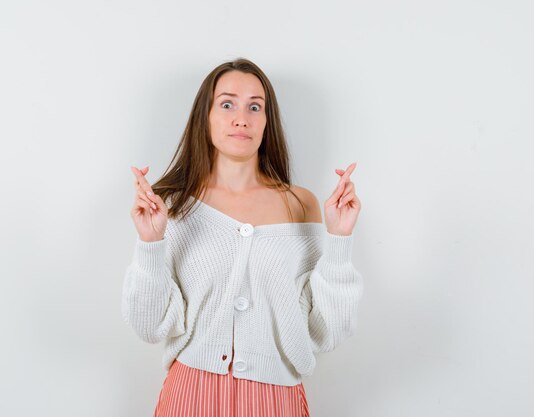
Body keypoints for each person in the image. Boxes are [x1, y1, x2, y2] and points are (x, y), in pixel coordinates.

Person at [121, 57, 364, 417]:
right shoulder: (172, 205)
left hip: (275, 399)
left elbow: (325, 330)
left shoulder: (301, 204)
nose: (242, 118)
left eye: (255, 106)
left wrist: (340, 240)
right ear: (205, 115)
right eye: (227, 103)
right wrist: (151, 244)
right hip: (191, 396)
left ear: (267, 121)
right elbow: (150, 325)